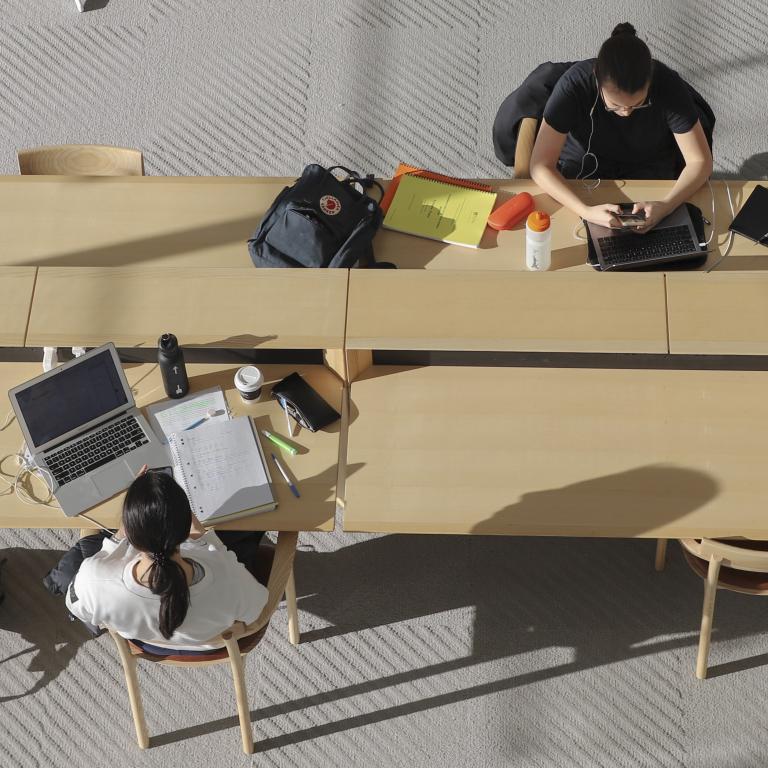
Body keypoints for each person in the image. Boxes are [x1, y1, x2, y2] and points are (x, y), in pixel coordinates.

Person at [47, 470, 268, 654]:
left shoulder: (93, 580)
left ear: (131, 534)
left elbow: (77, 608)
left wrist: (116, 538)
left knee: (87, 541)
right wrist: (209, 541)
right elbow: (257, 610)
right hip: (210, 643)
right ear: (185, 529)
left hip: (148, 644)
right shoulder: (225, 575)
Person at [530, 22, 713, 232]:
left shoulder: (668, 85)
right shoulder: (574, 85)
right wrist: (585, 211)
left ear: (650, 81)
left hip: (649, 161)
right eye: (615, 105)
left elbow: (700, 161)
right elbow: (540, 165)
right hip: (585, 160)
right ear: (597, 79)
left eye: (638, 104)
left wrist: (666, 206)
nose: (626, 112)